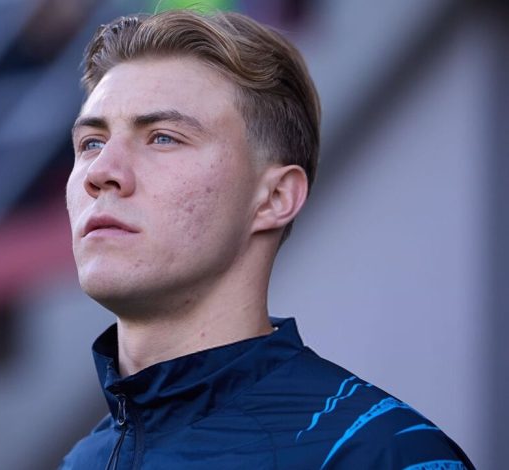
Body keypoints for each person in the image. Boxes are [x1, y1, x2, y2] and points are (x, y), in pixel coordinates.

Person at [61, 9, 474, 470]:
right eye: (91, 143)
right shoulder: (81, 463)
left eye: (162, 138)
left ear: (275, 197)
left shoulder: (384, 453)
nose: (101, 172)